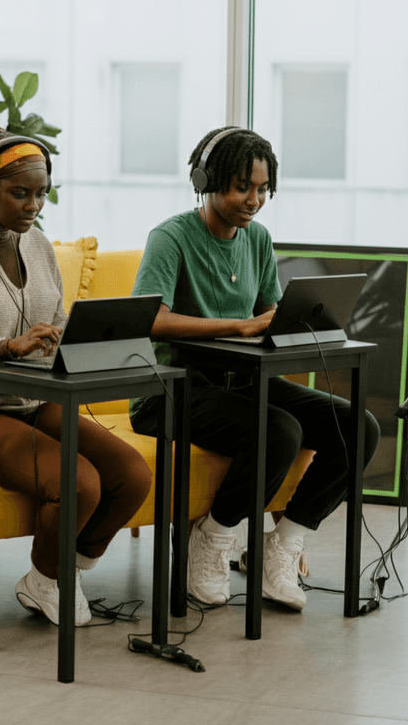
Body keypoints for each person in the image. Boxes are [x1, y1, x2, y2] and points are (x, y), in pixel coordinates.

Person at [0, 126, 152, 627]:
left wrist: (67, 339)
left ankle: (53, 576)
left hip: (34, 399)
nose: (33, 205)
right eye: (20, 193)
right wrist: (4, 348)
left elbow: (55, 319)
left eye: (41, 194)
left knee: (131, 475)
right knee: (78, 484)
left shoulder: (35, 244)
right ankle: (52, 576)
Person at [130, 125, 380, 612]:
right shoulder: (170, 237)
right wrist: (236, 327)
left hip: (241, 382)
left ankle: (281, 545)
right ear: (206, 179)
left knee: (357, 426)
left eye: (263, 189)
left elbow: (267, 315)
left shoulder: (257, 239)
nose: (254, 200)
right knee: (279, 430)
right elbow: (152, 319)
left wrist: (293, 325)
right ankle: (212, 537)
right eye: (243, 186)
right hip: (170, 389)